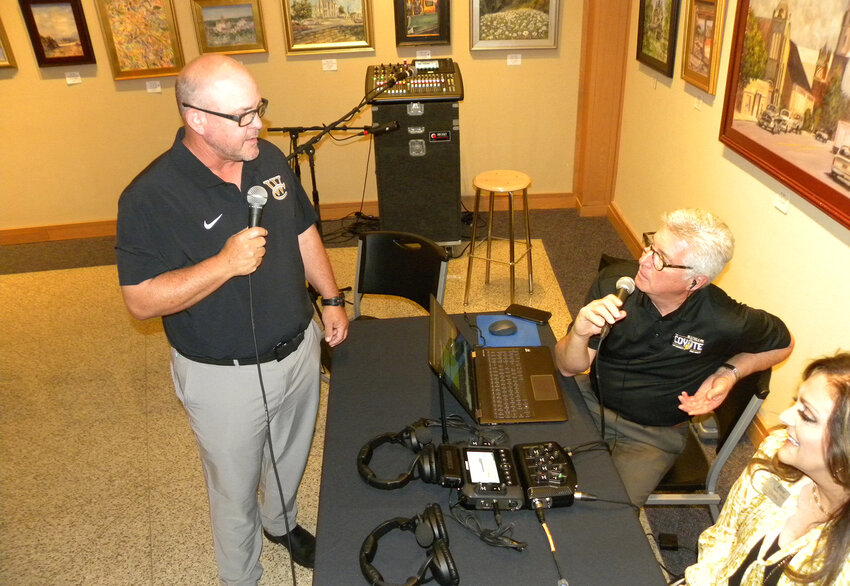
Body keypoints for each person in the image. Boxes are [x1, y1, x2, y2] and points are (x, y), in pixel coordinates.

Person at [115, 54, 349, 584]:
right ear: (197, 119)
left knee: (291, 456)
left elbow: (302, 229)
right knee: (233, 489)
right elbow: (141, 301)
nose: (258, 125)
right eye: (243, 116)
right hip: (224, 375)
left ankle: (280, 521)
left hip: (299, 346)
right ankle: (241, 576)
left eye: (258, 108)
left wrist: (331, 300)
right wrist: (223, 265)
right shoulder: (149, 196)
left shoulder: (266, 157)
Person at [554, 208, 793, 506]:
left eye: (660, 259)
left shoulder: (724, 317)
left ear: (695, 281)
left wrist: (730, 372)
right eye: (651, 246)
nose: (642, 260)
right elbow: (568, 368)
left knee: (605, 514)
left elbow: (784, 343)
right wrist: (578, 334)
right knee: (523, 457)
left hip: (651, 437)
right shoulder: (616, 285)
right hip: (591, 401)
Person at [685, 352, 850, 585]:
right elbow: (724, 535)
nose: (784, 416)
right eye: (796, 402)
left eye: (807, 415)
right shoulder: (775, 451)